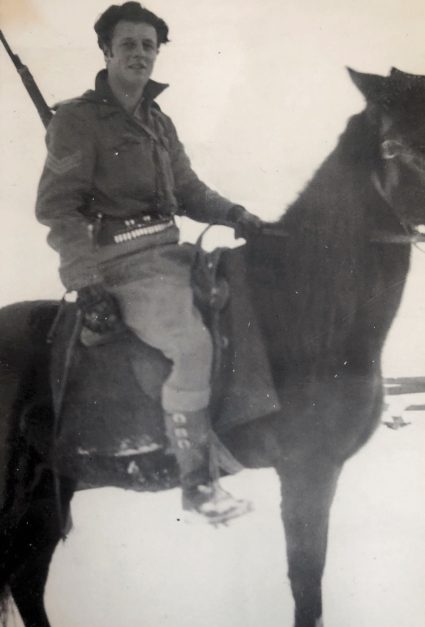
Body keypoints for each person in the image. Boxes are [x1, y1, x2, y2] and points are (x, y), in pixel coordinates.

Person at [36, 2, 261, 524]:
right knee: (191, 342)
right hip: (122, 262)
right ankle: (197, 481)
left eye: (148, 45)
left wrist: (233, 213)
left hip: (173, 254)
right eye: (128, 44)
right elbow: (57, 205)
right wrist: (85, 281)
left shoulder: (159, 121)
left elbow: (186, 189)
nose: (139, 53)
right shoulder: (77, 119)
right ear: (107, 50)